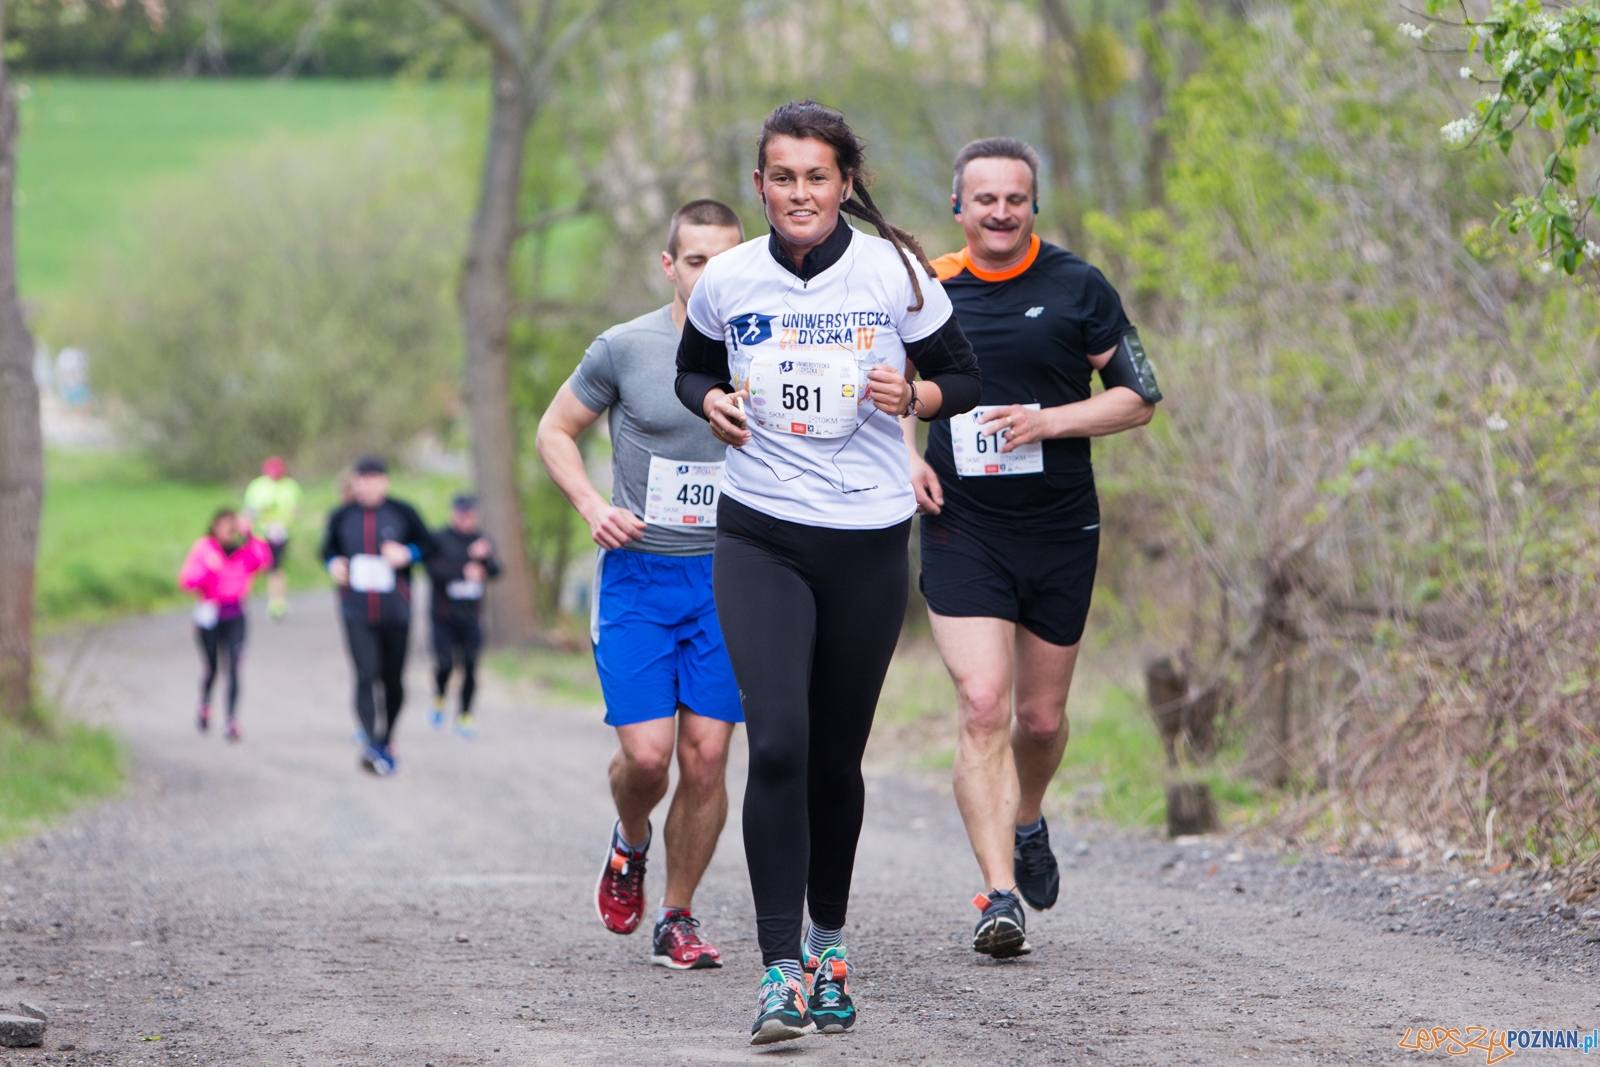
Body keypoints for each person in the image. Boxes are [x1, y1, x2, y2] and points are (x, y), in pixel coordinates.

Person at [675, 102, 980, 1044]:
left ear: (846, 181)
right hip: (760, 531)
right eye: (781, 177)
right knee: (777, 741)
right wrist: (714, 400)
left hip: (866, 539)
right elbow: (691, 373)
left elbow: (961, 375)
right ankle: (777, 973)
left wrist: (916, 394)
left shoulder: (894, 271)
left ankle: (830, 945)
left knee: (835, 760)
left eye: (817, 176)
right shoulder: (726, 278)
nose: (799, 193)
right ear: (759, 184)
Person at [910, 138, 1160, 959]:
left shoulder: (1078, 286)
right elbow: (879, 392)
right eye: (984, 199)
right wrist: (906, 458)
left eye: (1015, 198)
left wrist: (1051, 420)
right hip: (962, 524)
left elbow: (1138, 396)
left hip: (1058, 526)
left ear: (1032, 205)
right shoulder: (926, 288)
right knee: (984, 704)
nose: (1000, 212)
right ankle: (998, 895)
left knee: (1040, 718)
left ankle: (1027, 818)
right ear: (959, 207)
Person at [535, 199, 746, 973]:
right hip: (638, 575)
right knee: (650, 758)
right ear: (670, 265)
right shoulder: (626, 347)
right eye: (696, 261)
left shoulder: (767, 350)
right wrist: (592, 505)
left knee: (707, 759)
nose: (711, 275)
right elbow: (554, 430)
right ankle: (630, 841)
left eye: (726, 260)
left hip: (729, 578)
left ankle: (679, 915)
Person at [320, 455, 437, 776]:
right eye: (363, 478)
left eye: (375, 477)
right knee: (364, 673)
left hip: (395, 611)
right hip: (355, 610)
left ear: (385, 481)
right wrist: (334, 564)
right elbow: (327, 549)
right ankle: (371, 743)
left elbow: (430, 545)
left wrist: (407, 554)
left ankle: (387, 738)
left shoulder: (403, 512)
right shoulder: (342, 516)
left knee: (393, 680)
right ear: (354, 481)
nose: (368, 484)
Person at [178, 508, 274, 741]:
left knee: (234, 667)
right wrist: (209, 570)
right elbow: (187, 581)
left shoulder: (244, 552)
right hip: (209, 614)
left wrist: (250, 534)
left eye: (232, 527)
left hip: (235, 614)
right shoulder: (205, 549)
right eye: (224, 526)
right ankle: (205, 705)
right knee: (212, 666)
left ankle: (231, 720)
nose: (228, 531)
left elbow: (264, 560)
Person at [424, 493, 500, 739]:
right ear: (453, 513)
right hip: (443, 617)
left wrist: (485, 560)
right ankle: (439, 697)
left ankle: (465, 716)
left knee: (470, 666)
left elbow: (496, 571)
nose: (467, 519)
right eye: (462, 514)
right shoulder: (439, 539)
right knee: (445, 664)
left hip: (472, 617)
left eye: (471, 515)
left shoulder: (481, 541)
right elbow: (431, 570)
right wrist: (461, 571)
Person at [242, 456, 303, 619]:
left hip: (280, 534)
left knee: (276, 567)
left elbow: (297, 510)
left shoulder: (291, 486)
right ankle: (238, 598)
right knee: (250, 567)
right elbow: (248, 510)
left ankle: (277, 602)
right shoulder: (257, 486)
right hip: (259, 533)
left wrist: (287, 520)